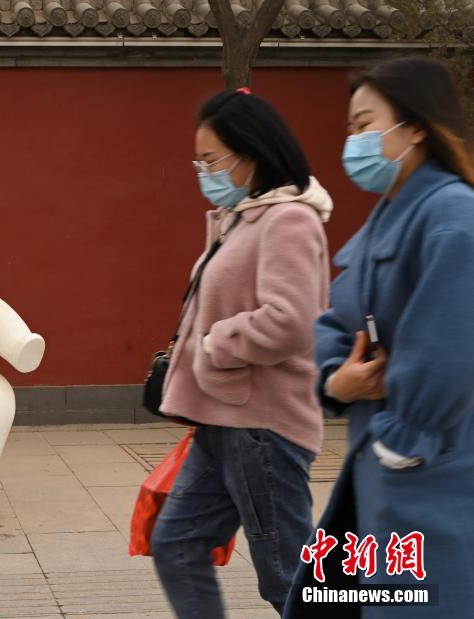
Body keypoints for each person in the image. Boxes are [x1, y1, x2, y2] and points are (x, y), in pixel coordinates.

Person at [284, 57, 474, 619]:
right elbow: (334, 320)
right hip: (381, 469)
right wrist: (335, 378)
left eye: (365, 124)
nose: (353, 140)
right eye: (350, 127)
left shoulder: (452, 216)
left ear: (416, 126)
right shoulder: (389, 214)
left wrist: (402, 438)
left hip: (429, 466)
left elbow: (450, 345)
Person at [150, 88, 333, 617]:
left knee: (289, 577)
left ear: (249, 154)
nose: (201, 171)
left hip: (261, 429)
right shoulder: (244, 218)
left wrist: (213, 345)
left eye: (210, 160)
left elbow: (293, 321)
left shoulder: (288, 220)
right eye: (197, 160)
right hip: (222, 423)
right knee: (177, 545)